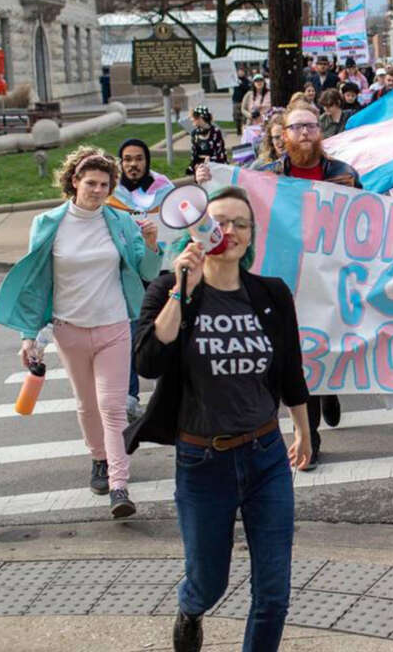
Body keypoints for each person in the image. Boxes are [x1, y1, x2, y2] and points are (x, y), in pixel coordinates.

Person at [127, 186, 310, 652]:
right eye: (218, 222)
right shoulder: (168, 288)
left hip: (266, 456)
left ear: (251, 237)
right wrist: (180, 291)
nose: (228, 231)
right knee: (208, 581)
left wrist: (303, 429)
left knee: (273, 593)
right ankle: (190, 607)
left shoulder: (271, 294)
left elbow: (289, 367)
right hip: (203, 461)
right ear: (198, 230)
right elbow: (148, 361)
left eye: (240, 224)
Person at [0, 147, 160, 518]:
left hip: (114, 325)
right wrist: (28, 334)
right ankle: (98, 459)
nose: (98, 190)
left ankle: (119, 485)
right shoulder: (49, 223)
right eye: (91, 183)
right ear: (74, 182)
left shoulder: (120, 221)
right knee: (86, 407)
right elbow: (37, 282)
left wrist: (150, 243)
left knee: (113, 408)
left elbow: (147, 268)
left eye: (105, 184)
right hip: (69, 330)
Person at [196, 108, 360, 470]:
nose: (305, 133)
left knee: (328, 344)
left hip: (332, 275)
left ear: (320, 132)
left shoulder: (345, 175)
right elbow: (236, 203)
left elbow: (366, 218)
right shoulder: (266, 176)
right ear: (283, 134)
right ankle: (311, 437)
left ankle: (330, 388)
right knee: (298, 350)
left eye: (311, 126)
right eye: (297, 127)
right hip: (289, 275)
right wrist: (209, 179)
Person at [111, 138, 176, 422]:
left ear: (147, 160)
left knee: (165, 332)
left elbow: (182, 220)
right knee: (130, 334)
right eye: (127, 159)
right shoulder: (111, 193)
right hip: (128, 273)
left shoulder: (164, 190)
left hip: (161, 269)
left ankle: (169, 393)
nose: (133, 164)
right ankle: (129, 397)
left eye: (138, 158)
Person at [187, 105, 227, 175]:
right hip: (200, 166)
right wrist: (194, 165)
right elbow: (194, 153)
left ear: (200, 118)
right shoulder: (195, 133)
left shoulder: (215, 132)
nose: (192, 120)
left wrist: (210, 159)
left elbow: (220, 152)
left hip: (215, 165)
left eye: (194, 118)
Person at [231, 66, 251, 135]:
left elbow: (247, 88)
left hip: (243, 101)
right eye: (239, 71)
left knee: (244, 117)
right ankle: (238, 129)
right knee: (236, 116)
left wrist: (241, 84)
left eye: (242, 71)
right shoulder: (235, 80)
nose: (241, 73)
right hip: (236, 100)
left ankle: (243, 130)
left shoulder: (246, 81)